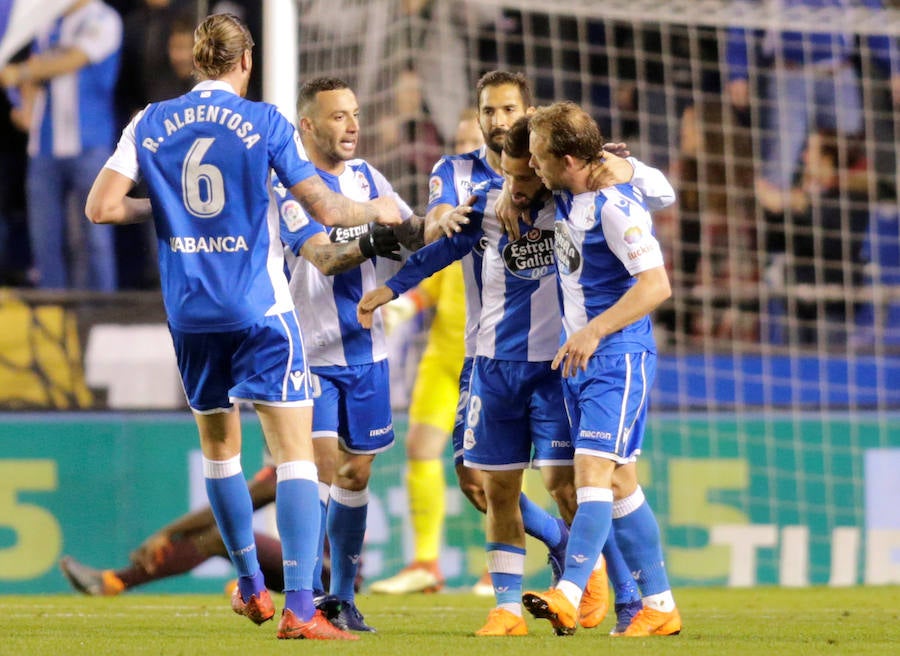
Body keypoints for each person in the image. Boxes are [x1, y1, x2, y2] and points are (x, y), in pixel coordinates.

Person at [84, 12, 398, 641]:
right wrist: (380, 209)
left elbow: (102, 207)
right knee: (296, 458)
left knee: (220, 454)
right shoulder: (264, 123)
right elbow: (326, 208)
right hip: (258, 310)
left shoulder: (148, 121)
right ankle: (302, 610)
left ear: (194, 62)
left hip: (190, 313)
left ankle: (252, 583)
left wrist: (165, 203)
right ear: (246, 62)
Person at [368, 71, 571, 597]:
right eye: (488, 113)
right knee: (471, 476)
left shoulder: (549, 170)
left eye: (508, 111)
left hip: (545, 352)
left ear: (528, 112)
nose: (498, 121)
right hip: (468, 354)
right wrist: (443, 222)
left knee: (553, 478)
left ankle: (580, 580)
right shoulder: (459, 174)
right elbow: (439, 220)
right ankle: (435, 564)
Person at [520, 101, 681, 638]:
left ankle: (568, 593)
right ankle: (659, 606)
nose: (534, 166)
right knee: (621, 486)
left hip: (617, 357)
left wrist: (593, 330)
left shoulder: (616, 206)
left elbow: (656, 286)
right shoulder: (573, 193)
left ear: (567, 159)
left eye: (541, 156)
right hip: (583, 359)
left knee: (591, 476)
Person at [278, 76, 423, 633]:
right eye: (338, 116)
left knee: (356, 475)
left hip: (367, 350)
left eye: (355, 114)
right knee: (319, 468)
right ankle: (305, 597)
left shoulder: (368, 178)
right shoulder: (290, 184)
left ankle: (340, 595)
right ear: (307, 125)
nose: (353, 125)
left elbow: (411, 229)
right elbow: (325, 258)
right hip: (308, 352)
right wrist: (373, 237)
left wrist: (455, 218)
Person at [367, 109, 479, 596]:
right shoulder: (447, 209)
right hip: (443, 355)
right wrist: (402, 304)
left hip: (491, 355)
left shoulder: (511, 206)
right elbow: (434, 281)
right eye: (458, 139)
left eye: (472, 138)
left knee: (492, 470)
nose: (464, 149)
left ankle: (504, 566)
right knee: (420, 449)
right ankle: (427, 565)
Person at [725, 0, 900, 210]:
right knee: (779, 167)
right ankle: (782, 232)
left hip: (838, 73)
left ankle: (843, 234)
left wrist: (894, 67)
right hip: (788, 75)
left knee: (847, 164)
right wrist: (737, 71)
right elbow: (743, 10)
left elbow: (872, 12)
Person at [0, 0, 122, 290]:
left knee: (94, 239)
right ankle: (54, 317)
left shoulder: (103, 19)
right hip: (43, 147)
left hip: (90, 145)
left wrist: (21, 74)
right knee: (45, 240)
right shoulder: (46, 23)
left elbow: (73, 59)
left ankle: (102, 318)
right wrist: (27, 106)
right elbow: (36, 66)